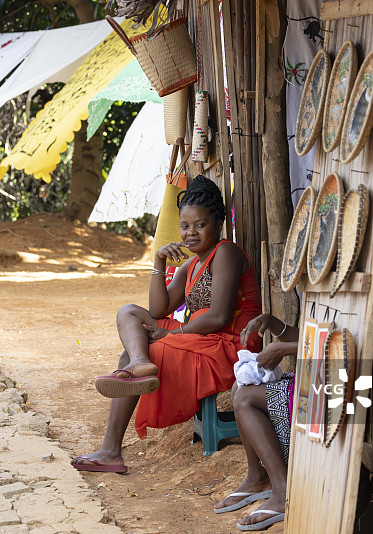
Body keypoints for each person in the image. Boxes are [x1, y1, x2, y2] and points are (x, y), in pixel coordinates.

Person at [72, 175, 262, 473]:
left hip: (231, 343)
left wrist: (168, 334)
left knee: (145, 348)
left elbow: (220, 317)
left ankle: (111, 448)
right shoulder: (192, 263)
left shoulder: (226, 252)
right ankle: (138, 362)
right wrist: (158, 262)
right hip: (203, 337)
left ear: (218, 224)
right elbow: (158, 309)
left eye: (200, 224)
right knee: (129, 313)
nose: (191, 233)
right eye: (185, 226)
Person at [213, 312, 298, 531]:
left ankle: (282, 490)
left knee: (245, 398)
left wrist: (285, 349)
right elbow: (313, 337)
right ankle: (258, 477)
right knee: (238, 388)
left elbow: (338, 345)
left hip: (333, 393)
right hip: (311, 382)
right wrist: (274, 323)